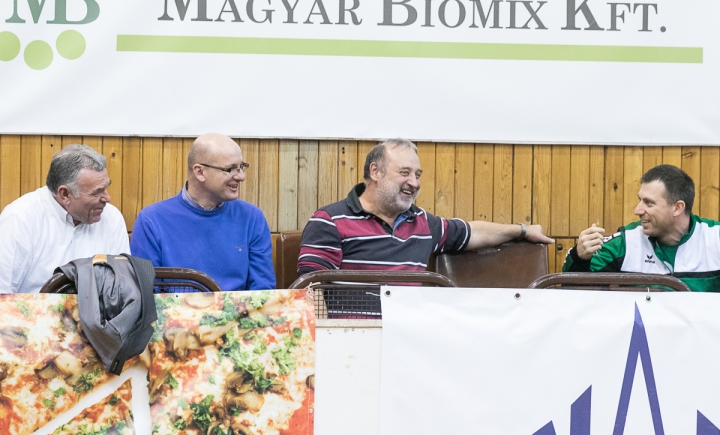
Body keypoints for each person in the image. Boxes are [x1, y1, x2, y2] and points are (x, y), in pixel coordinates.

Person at [297, 138, 553, 276]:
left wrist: (521, 230)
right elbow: (309, 294)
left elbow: (474, 232)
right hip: (349, 340)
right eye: (405, 172)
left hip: (409, 340)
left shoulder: (422, 223)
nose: (414, 183)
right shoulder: (329, 221)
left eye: (418, 174)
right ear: (375, 172)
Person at [130, 133, 275, 291]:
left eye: (241, 167)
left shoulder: (252, 218)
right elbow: (148, 296)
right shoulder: (151, 221)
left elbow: (263, 292)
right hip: (175, 314)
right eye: (230, 169)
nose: (241, 176)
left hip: (240, 315)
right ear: (199, 172)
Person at [562, 164, 720, 292]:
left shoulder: (715, 238)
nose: (637, 210)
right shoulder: (625, 242)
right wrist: (579, 257)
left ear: (677, 208)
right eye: (640, 200)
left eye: (649, 203)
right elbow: (574, 290)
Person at [0, 144, 129, 293]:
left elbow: (122, 288)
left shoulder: (112, 218)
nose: (107, 198)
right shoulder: (20, 219)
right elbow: (3, 294)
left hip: (101, 315)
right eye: (97, 192)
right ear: (65, 194)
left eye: (106, 188)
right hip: (32, 313)